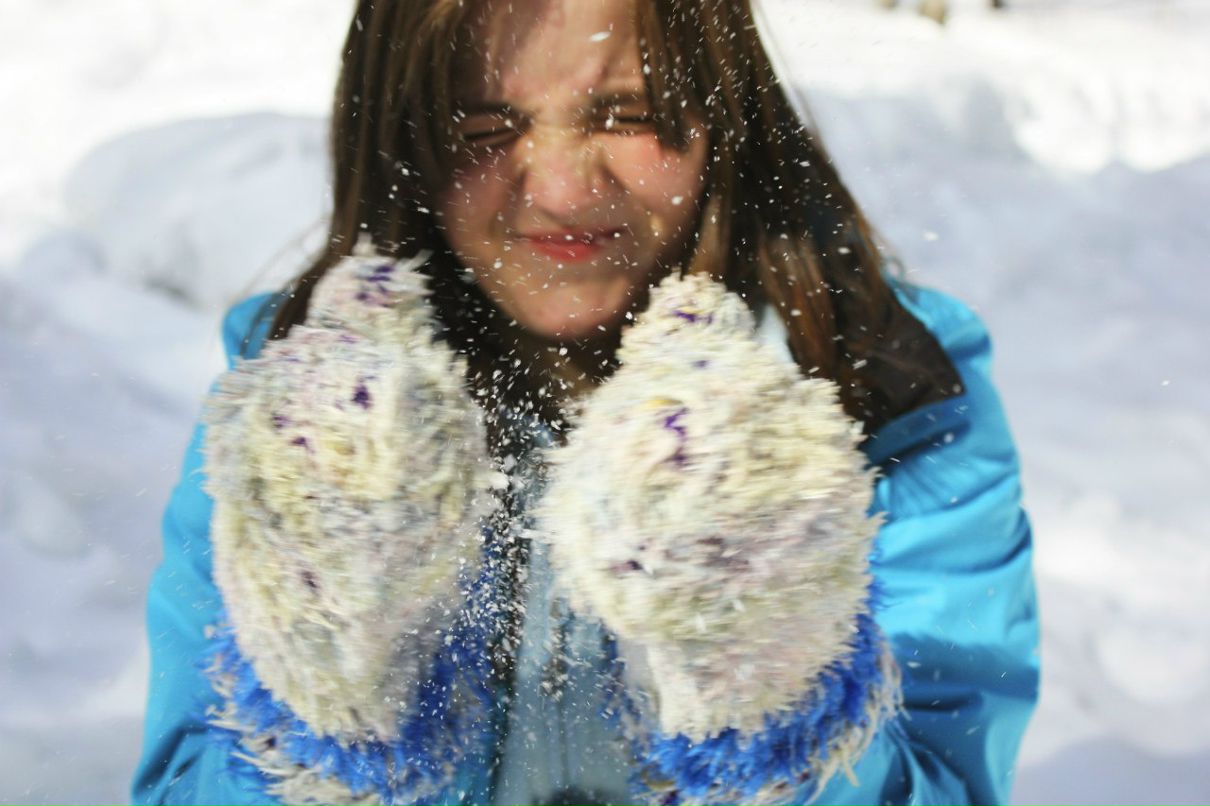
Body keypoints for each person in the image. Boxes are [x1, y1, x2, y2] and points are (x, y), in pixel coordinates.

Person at [131, 0, 1039, 804]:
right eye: (484, 126)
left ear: (721, 105)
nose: (563, 191)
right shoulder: (298, 409)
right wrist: (324, 709)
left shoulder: (881, 380)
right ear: (401, 137)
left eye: (627, 113)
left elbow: (950, 780)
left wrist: (780, 720)